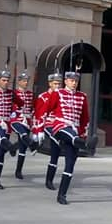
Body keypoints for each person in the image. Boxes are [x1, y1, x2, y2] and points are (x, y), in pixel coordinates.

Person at [33, 71, 89, 205]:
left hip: (74, 131)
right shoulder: (58, 93)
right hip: (59, 126)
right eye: (71, 80)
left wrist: (83, 133)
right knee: (65, 142)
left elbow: (85, 118)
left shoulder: (82, 96)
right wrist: (39, 130)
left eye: (76, 81)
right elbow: (44, 111)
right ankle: (84, 144)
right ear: (66, 81)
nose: (74, 83)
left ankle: (61, 195)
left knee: (70, 164)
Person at [33, 73, 63, 191]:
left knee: (55, 154)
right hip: (48, 124)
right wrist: (38, 130)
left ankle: (49, 180)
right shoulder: (43, 97)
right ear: (50, 83)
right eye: (55, 83)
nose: (57, 86)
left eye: (59, 84)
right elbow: (39, 115)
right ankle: (35, 143)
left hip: (59, 124)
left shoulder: (63, 96)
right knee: (55, 137)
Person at [9, 71, 38, 180]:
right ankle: (32, 145)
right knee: (23, 134)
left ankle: (18, 170)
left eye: (27, 81)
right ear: (19, 82)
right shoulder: (14, 93)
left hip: (27, 120)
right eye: (24, 81)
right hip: (16, 119)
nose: (26, 83)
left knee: (22, 146)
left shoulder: (30, 94)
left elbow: (33, 107)